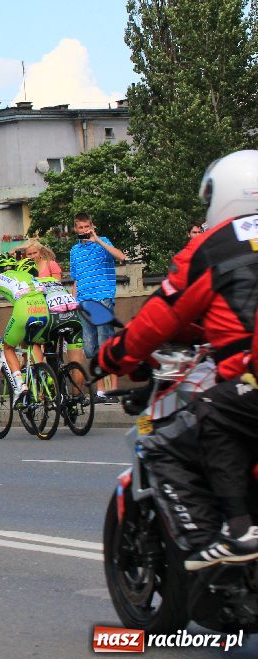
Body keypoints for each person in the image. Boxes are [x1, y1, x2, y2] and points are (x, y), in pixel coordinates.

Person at [96, 149, 258, 569]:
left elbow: (159, 317)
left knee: (177, 434)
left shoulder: (216, 245)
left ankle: (231, 538)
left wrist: (114, 355)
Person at [0, 253, 50, 398]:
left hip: (24, 311)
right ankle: (44, 376)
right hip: (44, 310)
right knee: (32, 343)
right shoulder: (26, 275)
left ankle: (20, 384)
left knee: (7, 347)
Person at [70, 212, 127, 401]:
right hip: (84, 302)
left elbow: (122, 257)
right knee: (90, 348)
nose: (84, 231)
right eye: (81, 228)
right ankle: (101, 391)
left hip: (103, 298)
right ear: (76, 229)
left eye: (87, 227)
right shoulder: (74, 251)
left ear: (92, 226)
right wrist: (73, 301)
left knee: (106, 344)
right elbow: (76, 279)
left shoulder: (103, 242)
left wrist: (97, 240)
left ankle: (114, 391)